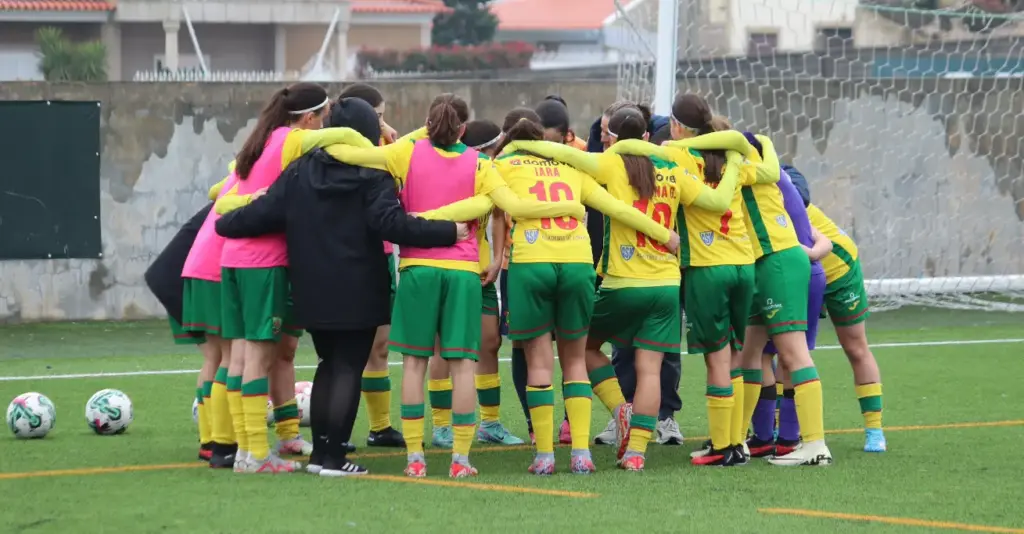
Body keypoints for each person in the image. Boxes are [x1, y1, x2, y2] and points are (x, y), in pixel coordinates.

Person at [322, 93, 585, 478]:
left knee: (414, 365)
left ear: (428, 124)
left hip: (417, 269)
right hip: (463, 272)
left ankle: (416, 458)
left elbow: (352, 155)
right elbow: (516, 206)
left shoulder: (404, 153)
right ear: (464, 129)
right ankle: (461, 460)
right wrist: (569, 208)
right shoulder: (480, 162)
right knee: (463, 364)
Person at [215, 97, 464, 477]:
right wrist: (449, 230)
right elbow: (393, 224)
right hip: (359, 286)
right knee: (349, 366)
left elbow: (261, 213)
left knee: (329, 363)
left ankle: (322, 456)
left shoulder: (299, 171)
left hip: (311, 289)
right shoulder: (371, 173)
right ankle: (331, 457)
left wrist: (225, 223)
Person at [508, 108, 749, 470]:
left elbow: (566, 154)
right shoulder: (673, 168)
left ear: (615, 138)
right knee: (650, 368)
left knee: (581, 346)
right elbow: (716, 202)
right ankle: (636, 453)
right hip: (666, 283)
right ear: (649, 136)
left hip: (622, 282)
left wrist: (520, 143)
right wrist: (732, 166)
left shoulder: (609, 164)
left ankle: (620, 408)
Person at [456, 108, 679, 475]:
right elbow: (616, 208)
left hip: (532, 263)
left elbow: (482, 205)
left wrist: (427, 220)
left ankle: (544, 455)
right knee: (575, 360)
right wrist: (664, 235)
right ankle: (581, 454)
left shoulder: (501, 166)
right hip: (577, 263)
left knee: (539, 361)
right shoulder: (570, 169)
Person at [660, 95, 832, 467]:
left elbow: (749, 158)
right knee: (749, 355)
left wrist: (678, 144)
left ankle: (815, 444)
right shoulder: (750, 158)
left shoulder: (740, 162)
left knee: (791, 353)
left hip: (776, 258)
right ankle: (732, 441)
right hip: (755, 263)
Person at [217, 82, 372, 474]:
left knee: (238, 358)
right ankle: (255, 455)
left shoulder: (258, 142)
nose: (323, 126)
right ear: (307, 119)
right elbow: (340, 135)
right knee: (258, 357)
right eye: (320, 117)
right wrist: (383, 138)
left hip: (233, 259)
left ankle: (244, 452)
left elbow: (222, 196)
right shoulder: (289, 140)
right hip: (264, 262)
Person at [427, 119, 525, 448]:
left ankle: (491, 422)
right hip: (449, 268)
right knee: (443, 348)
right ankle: (442, 426)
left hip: (480, 272)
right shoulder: (451, 170)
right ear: (482, 149)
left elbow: (498, 214)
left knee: (489, 341)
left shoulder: (488, 172)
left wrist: (497, 258)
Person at [337, 82, 405, 448]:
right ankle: (337, 431)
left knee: (379, 345)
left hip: (378, 256)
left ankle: (380, 427)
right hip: (342, 257)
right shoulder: (329, 153)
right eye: (377, 117)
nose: (383, 124)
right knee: (343, 351)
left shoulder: (384, 151)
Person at [750, 161, 832, 459]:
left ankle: (805, 443)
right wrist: (813, 252)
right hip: (807, 274)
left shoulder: (761, 197)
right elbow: (823, 239)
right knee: (774, 355)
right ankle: (783, 439)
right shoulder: (783, 199)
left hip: (788, 275)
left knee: (781, 355)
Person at [806, 202, 887, 452]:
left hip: (837, 270)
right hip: (801, 273)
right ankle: (780, 429)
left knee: (855, 347)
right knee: (785, 347)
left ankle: (875, 430)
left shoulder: (782, 186)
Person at [178, 169, 243, 468]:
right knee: (230, 356)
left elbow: (215, 190)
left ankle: (210, 440)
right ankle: (223, 443)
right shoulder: (264, 174)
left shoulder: (240, 173)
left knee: (214, 357)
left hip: (197, 267)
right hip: (216, 270)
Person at [144, 200, 215, 460]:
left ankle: (212, 439)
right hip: (184, 280)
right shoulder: (244, 196)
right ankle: (215, 441)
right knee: (220, 357)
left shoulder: (236, 190)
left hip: (180, 277)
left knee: (217, 357)